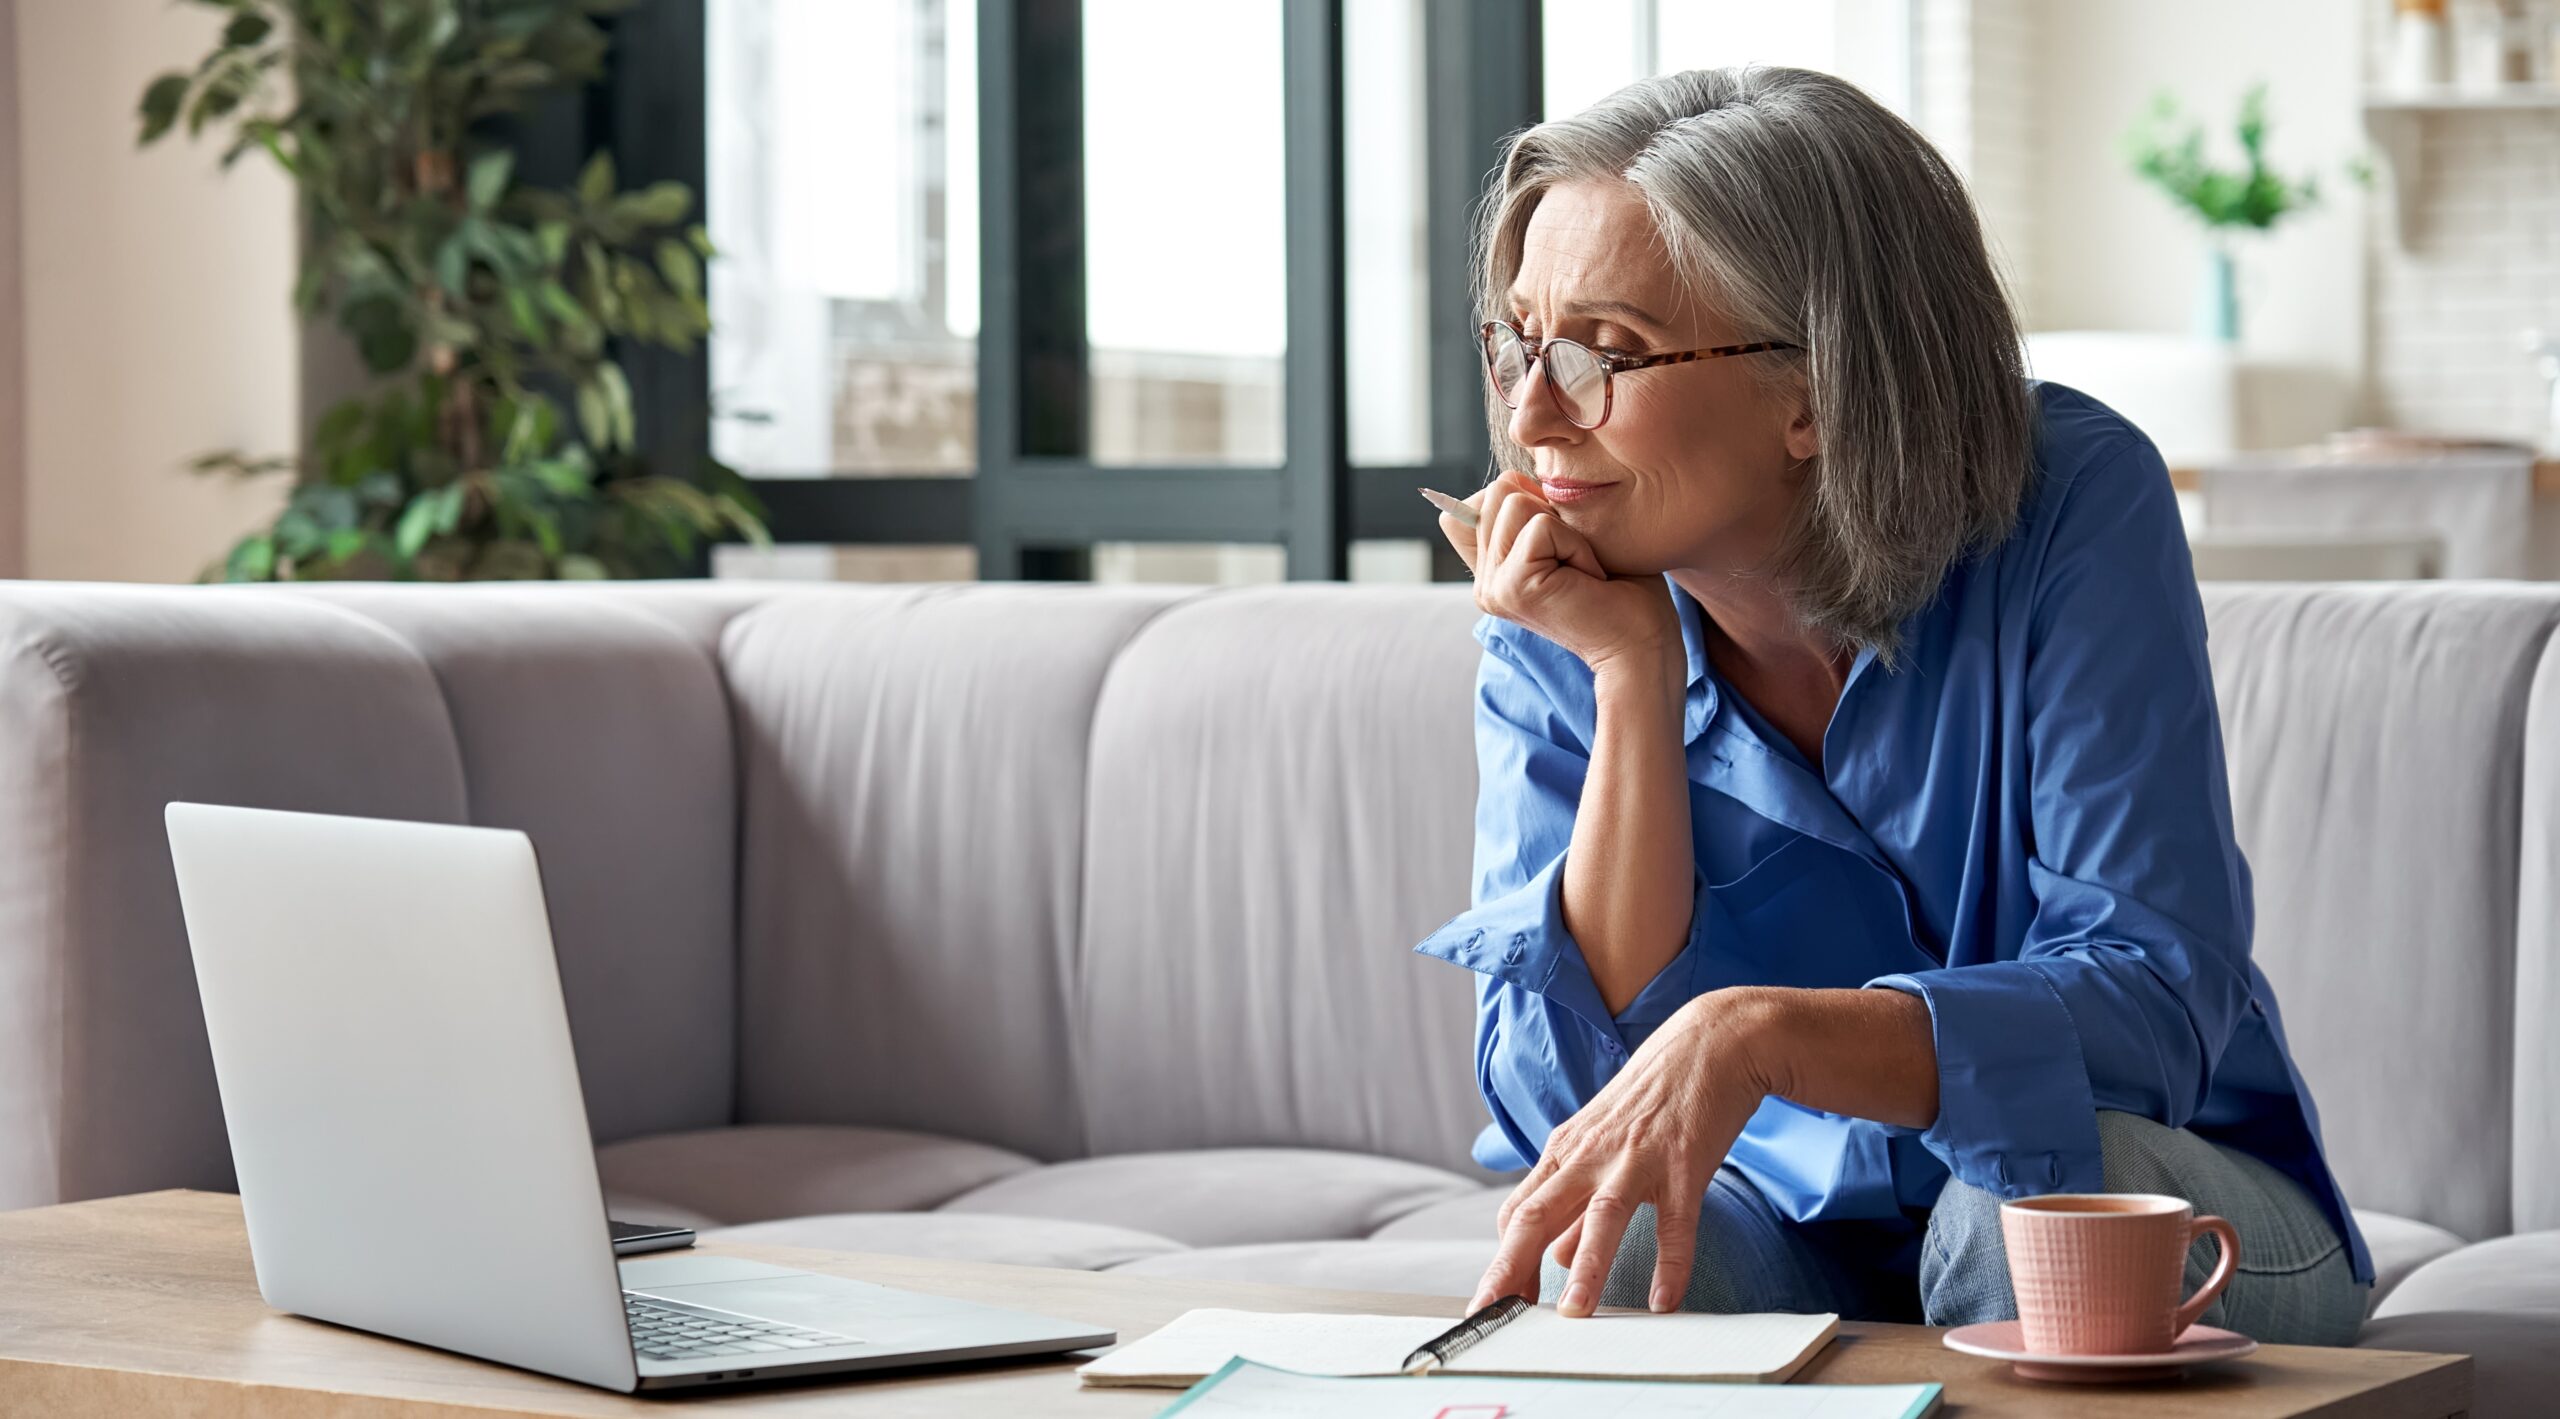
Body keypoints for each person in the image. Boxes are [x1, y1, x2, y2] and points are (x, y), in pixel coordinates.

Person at [1415, 65, 2370, 1344]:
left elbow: (2152, 1002)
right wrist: (1631, 681)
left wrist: (1762, 1036)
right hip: (1788, 1224)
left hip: (2158, 1195)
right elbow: (1568, 1105)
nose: (1532, 416)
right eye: (1517, 343)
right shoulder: (1565, 592)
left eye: (1605, 354)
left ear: (1814, 389)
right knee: (1621, 1239)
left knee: (2017, 1213)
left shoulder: (2071, 504)